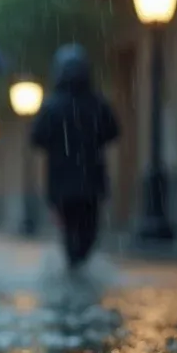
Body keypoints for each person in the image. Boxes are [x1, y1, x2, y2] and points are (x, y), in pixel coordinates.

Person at [30, 43, 120, 269]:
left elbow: (37, 138)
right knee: (88, 226)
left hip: (62, 180)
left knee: (70, 225)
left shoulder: (52, 105)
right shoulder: (96, 103)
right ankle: (79, 260)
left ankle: (74, 260)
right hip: (90, 177)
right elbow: (113, 132)